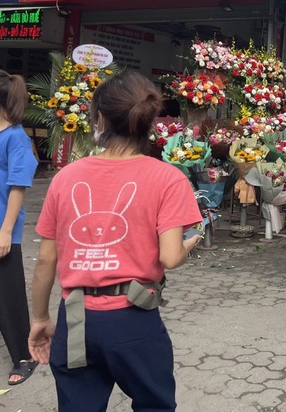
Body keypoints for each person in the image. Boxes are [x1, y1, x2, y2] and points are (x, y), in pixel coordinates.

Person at [28, 70, 203, 411]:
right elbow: (169, 257)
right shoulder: (167, 178)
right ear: (149, 121)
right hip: (133, 318)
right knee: (154, 404)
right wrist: (189, 244)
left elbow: (46, 261)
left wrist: (39, 320)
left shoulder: (66, 177)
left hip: (75, 319)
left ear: (99, 117)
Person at [0, 71, 38, 385]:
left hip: (2, 226)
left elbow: (18, 186)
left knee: (8, 296)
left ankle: (24, 355)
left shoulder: (16, 137)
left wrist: (6, 231)